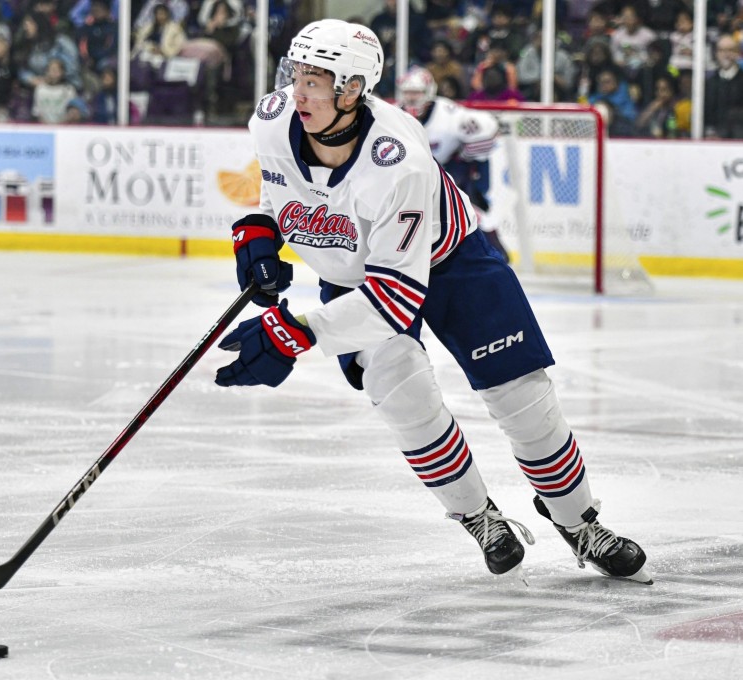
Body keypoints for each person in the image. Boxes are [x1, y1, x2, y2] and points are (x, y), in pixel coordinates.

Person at [214, 18, 652, 584]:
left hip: (453, 263)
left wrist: (293, 332)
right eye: (295, 74)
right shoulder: (273, 119)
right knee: (402, 395)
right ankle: (479, 516)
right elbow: (280, 188)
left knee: (522, 397)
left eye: (316, 80)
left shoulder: (398, 160)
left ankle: (578, 521)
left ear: (351, 90)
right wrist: (257, 227)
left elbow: (395, 299)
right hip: (353, 276)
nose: (298, 91)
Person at [397, 65, 508, 262]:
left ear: (429, 93)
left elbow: (488, 131)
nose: (412, 98)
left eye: (417, 93)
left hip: (449, 172)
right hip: (411, 178)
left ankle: (495, 255)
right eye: (408, 93)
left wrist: (464, 158)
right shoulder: (393, 117)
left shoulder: (449, 114)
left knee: (473, 214)